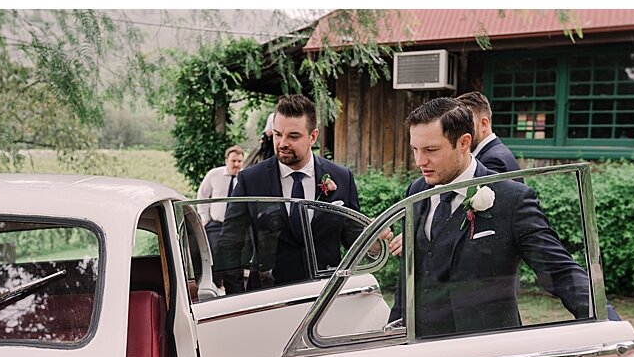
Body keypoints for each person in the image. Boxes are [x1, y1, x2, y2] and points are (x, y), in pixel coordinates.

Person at [394, 97, 590, 337]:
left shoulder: (512, 199)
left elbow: (561, 272)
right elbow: (408, 279)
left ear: (464, 142)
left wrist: (611, 325)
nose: (420, 161)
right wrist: (394, 331)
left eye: (431, 150)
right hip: (419, 350)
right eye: (415, 149)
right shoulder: (416, 191)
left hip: (486, 351)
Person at [217, 94, 361, 291]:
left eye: (293, 136)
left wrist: (376, 243)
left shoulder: (342, 178)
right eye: (277, 134)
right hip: (267, 298)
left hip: (324, 298)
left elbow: (355, 241)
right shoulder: (250, 180)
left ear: (313, 136)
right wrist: (236, 299)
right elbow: (230, 243)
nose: (282, 143)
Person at [454, 91, 519, 175]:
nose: (457, 131)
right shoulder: (494, 153)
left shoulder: (493, 161)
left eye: (465, 123)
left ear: (484, 124)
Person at [196, 145, 246, 250]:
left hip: (238, 227)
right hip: (216, 225)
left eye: (239, 161)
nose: (236, 164)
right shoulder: (214, 174)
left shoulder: (247, 177)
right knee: (215, 254)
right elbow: (202, 195)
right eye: (233, 161)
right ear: (226, 160)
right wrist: (205, 219)